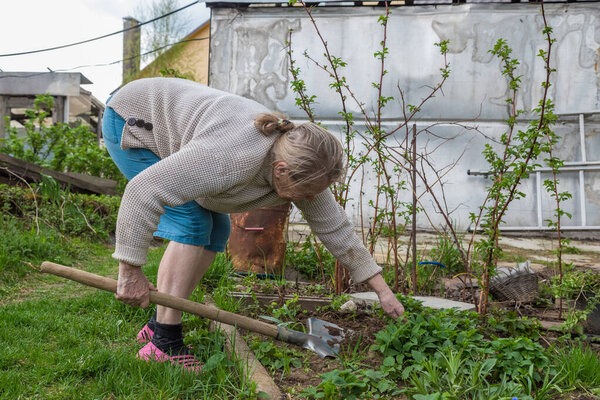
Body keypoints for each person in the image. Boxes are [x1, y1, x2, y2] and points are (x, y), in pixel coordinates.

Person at [102, 77, 404, 372]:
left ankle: (157, 325)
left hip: (176, 127)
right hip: (135, 121)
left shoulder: (300, 162)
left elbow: (334, 227)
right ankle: (164, 344)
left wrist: (382, 290)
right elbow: (143, 192)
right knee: (192, 222)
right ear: (281, 170)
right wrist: (129, 272)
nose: (312, 198)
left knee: (217, 229)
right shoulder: (228, 157)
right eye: (309, 192)